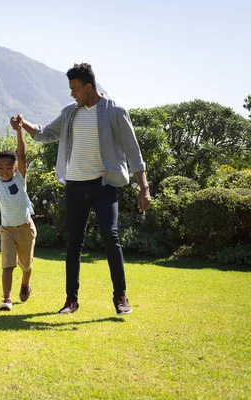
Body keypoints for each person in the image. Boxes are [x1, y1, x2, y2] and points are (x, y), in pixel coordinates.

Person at [10, 63, 151, 315]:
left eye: (75, 89)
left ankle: (120, 297)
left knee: (110, 236)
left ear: (88, 87)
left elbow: (133, 150)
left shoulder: (115, 111)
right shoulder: (69, 113)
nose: (72, 94)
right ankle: (71, 301)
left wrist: (144, 187)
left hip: (104, 184)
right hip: (74, 185)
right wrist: (23, 123)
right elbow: (44, 134)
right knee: (74, 243)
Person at [0, 124, 37, 311]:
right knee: (7, 265)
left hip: (26, 228)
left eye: (7, 168)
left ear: (15, 169)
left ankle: (25, 283)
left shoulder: (20, 179)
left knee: (26, 265)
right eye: (0, 167)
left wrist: (19, 130)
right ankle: (7, 299)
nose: (3, 171)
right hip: (7, 231)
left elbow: (22, 155)